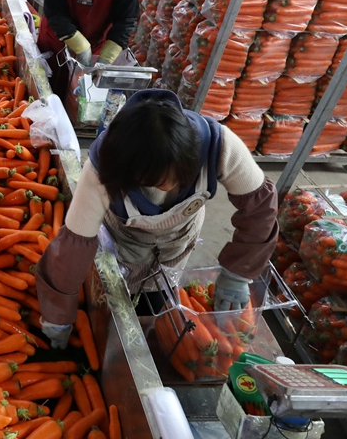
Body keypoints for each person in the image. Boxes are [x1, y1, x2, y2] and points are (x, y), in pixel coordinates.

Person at [34, 88, 278, 344]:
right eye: (152, 181)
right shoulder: (101, 170)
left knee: (159, 300)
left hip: (179, 236)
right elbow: (72, 247)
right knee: (118, 295)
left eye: (174, 180)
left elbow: (260, 208)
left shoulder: (219, 146)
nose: (165, 189)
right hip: (125, 238)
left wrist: (238, 273)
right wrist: (58, 316)